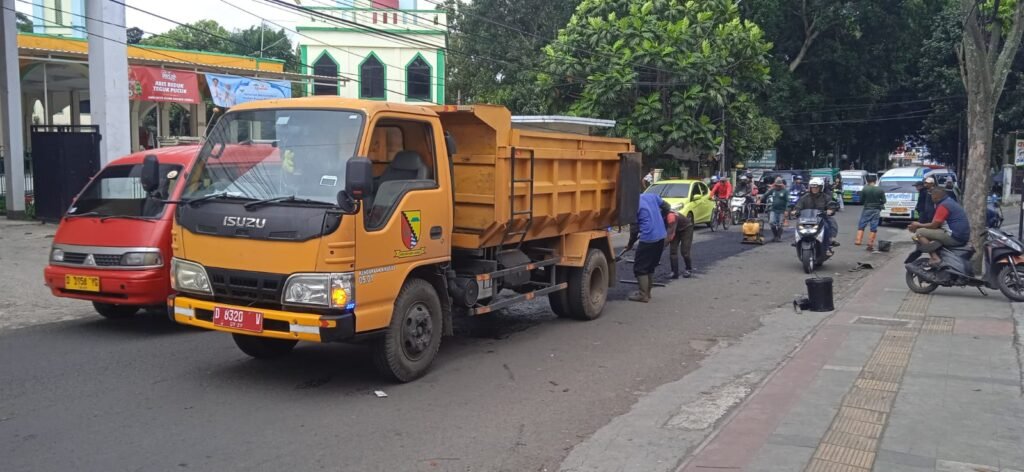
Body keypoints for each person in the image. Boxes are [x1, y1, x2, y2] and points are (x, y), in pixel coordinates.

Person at [908, 186, 971, 267]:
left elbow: (934, 225)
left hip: (954, 236)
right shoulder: (950, 202)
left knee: (920, 232)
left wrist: (918, 225)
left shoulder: (943, 206)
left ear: (935, 196)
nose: (931, 198)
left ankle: (935, 258)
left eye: (931, 196)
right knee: (929, 232)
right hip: (961, 236)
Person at [625, 193, 668, 303]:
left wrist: (630, 244)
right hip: (661, 236)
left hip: (649, 238)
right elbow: (667, 207)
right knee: (650, 266)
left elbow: (634, 230)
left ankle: (643, 294)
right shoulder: (652, 196)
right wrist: (660, 218)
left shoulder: (632, 206)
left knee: (640, 267)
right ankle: (648, 293)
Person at [791, 177, 838, 252]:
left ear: (821, 188)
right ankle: (797, 239)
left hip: (821, 218)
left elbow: (831, 205)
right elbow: (798, 206)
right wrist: (795, 211)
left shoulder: (826, 197)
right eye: (812, 187)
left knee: (831, 221)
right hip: (807, 218)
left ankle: (831, 239)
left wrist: (830, 210)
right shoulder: (804, 197)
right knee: (798, 223)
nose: (814, 189)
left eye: (816, 187)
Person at [660, 200, 694, 278]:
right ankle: (674, 272)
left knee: (684, 251)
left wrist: (661, 247)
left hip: (686, 228)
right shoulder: (660, 215)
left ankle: (688, 269)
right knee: (673, 251)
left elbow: (670, 235)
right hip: (675, 229)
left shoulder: (671, 216)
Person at [855, 174, 886, 252]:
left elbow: (861, 200)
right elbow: (884, 201)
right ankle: (870, 243)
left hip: (867, 209)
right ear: (875, 181)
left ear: (867, 181)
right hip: (876, 210)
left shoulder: (865, 189)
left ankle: (858, 241)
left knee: (862, 224)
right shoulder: (880, 190)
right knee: (874, 226)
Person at [762, 177, 790, 242]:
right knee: (771, 222)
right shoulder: (773, 190)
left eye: (778, 186)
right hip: (773, 209)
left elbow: (788, 201)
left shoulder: (785, 191)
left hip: (781, 210)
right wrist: (760, 199)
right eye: (776, 185)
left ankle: (778, 237)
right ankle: (775, 236)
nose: (777, 187)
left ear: (781, 185)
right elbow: (766, 194)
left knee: (780, 224)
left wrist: (786, 210)